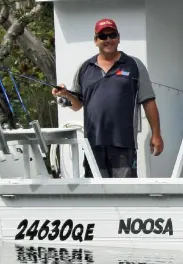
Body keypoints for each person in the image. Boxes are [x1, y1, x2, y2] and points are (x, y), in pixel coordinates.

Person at [52, 18, 163, 178]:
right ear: (96, 40)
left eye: (112, 35)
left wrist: (156, 134)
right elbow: (77, 105)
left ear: (118, 38)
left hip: (123, 142)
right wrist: (65, 94)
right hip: (93, 142)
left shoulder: (134, 65)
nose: (108, 40)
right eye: (103, 37)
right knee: (96, 196)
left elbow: (148, 101)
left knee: (126, 193)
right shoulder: (85, 67)